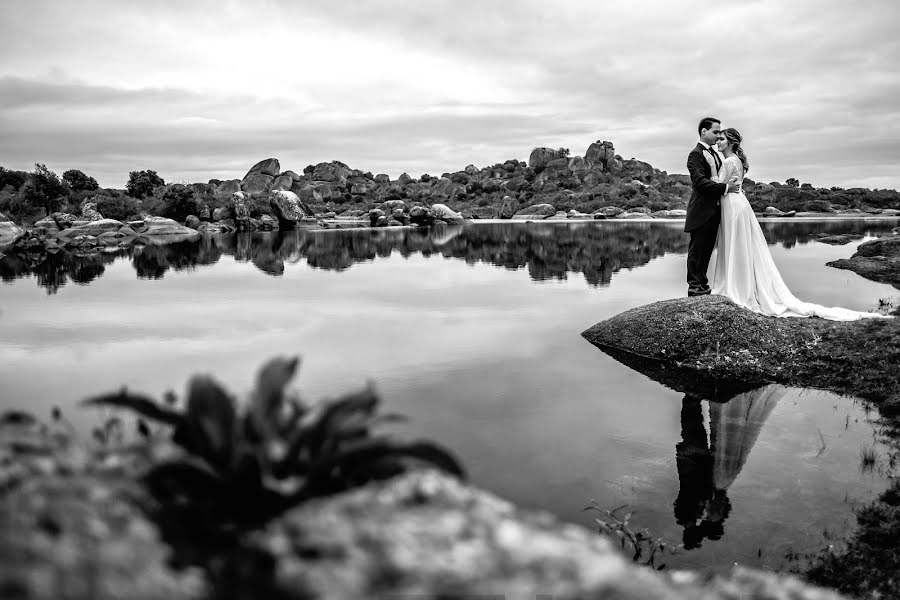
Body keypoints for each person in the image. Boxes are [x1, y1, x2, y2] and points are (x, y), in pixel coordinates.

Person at [708, 128, 888, 320]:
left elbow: (716, 186)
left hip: (733, 207)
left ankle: (734, 287)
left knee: (735, 246)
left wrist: (711, 167)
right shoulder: (737, 160)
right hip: (738, 205)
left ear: (731, 143)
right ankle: (739, 285)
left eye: (721, 140)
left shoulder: (728, 161)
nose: (718, 142)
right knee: (740, 247)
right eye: (717, 139)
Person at [685, 117, 741, 296]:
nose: (718, 136)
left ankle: (702, 283)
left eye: (720, 133)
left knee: (707, 249)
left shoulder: (716, 154)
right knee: (697, 249)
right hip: (701, 209)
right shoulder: (696, 154)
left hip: (714, 210)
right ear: (703, 131)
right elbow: (700, 182)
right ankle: (694, 285)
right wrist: (726, 188)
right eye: (715, 132)